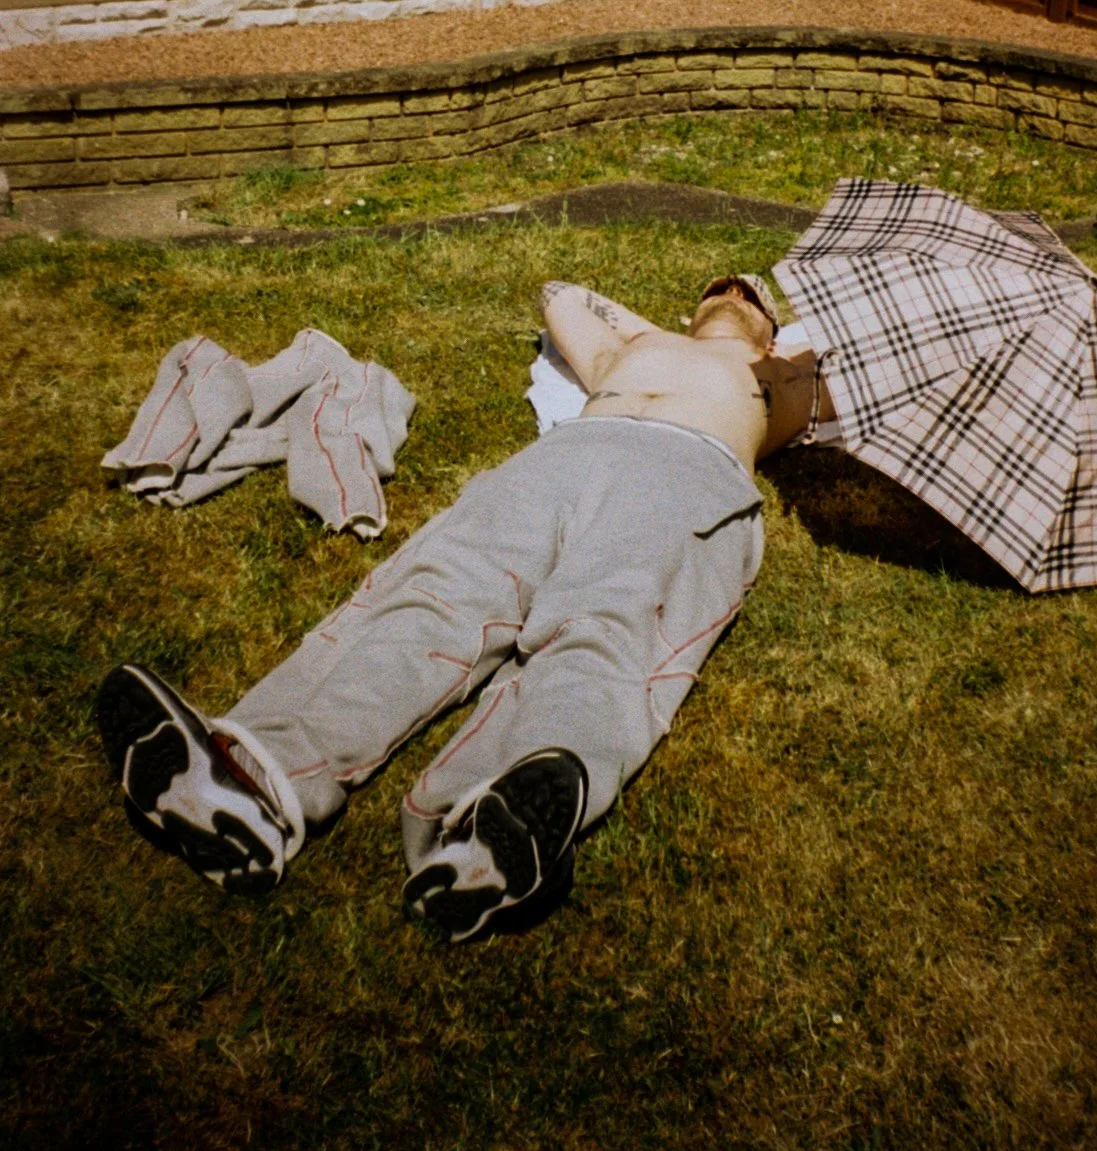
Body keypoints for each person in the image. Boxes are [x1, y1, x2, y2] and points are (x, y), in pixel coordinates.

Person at [97, 272, 824, 942]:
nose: (731, 286)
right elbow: (560, 295)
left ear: (775, 327)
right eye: (715, 285)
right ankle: (255, 782)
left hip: (689, 475)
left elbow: (843, 375)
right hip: (562, 457)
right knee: (433, 601)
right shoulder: (632, 348)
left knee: (605, 633)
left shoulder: (782, 378)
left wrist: (759, 342)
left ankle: (488, 835)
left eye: (749, 290)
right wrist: (688, 329)